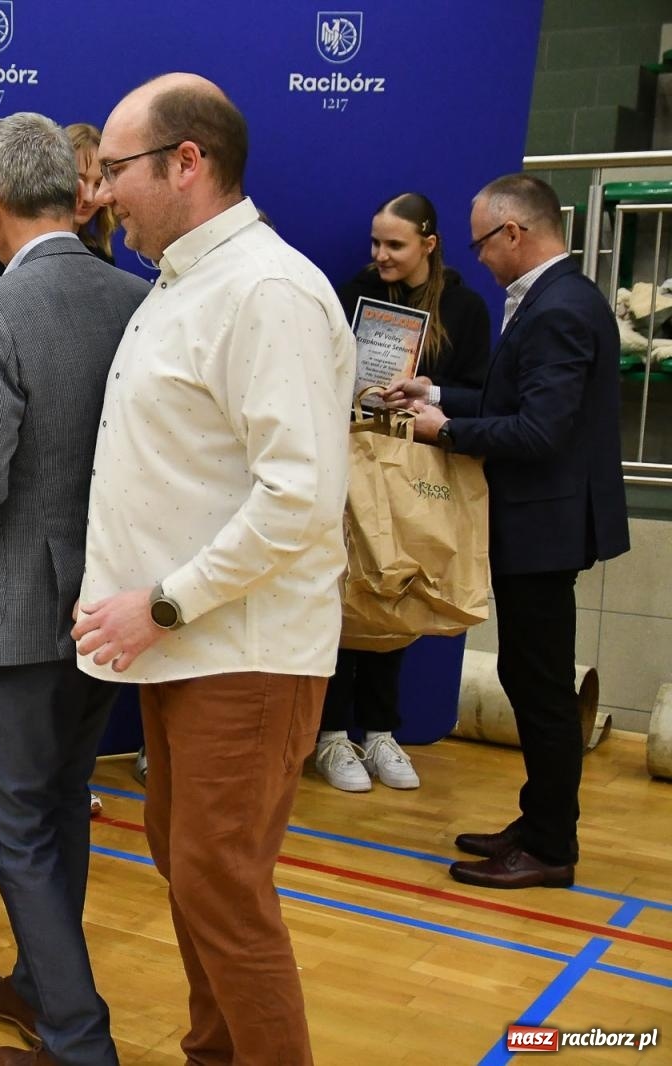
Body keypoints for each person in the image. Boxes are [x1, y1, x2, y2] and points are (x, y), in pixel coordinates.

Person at [74, 74, 353, 1066]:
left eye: (115, 171)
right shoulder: (183, 281)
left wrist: (160, 601)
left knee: (222, 885)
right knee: (191, 871)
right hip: (190, 645)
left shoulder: (264, 289)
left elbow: (298, 498)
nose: (101, 192)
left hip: (239, 644)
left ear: (185, 163)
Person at [0, 112, 148, 1066]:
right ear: (76, 186)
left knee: (16, 821)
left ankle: (77, 1038)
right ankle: (38, 983)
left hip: (21, 605)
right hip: (107, 601)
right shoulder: (137, 297)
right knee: (59, 805)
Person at [385, 173, 629, 890]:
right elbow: (513, 397)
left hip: (546, 526)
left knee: (544, 688)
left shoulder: (558, 309)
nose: (480, 260)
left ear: (515, 234)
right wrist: (433, 392)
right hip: (539, 522)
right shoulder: (558, 300)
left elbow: (539, 429)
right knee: (528, 678)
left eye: (482, 244)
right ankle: (539, 820)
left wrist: (448, 429)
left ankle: (552, 845)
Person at [315, 191, 492, 794]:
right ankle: (333, 737)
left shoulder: (465, 308)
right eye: (376, 243)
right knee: (344, 594)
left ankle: (381, 732)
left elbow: (480, 394)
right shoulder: (353, 296)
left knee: (399, 596)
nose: (381, 255)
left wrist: (429, 392)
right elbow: (323, 372)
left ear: (428, 244)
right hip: (353, 464)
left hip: (420, 477)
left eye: (395, 244)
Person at [0, 120, 116, 285]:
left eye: (98, 184)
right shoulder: (7, 257)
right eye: (79, 180)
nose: (88, 197)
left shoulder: (103, 261)